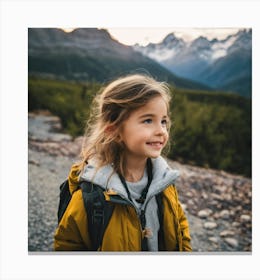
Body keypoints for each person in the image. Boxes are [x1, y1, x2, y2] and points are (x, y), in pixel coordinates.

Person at [53, 74, 192, 251]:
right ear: (114, 130)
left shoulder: (164, 183)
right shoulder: (91, 195)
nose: (161, 131)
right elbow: (68, 246)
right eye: (148, 120)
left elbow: (181, 230)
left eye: (163, 121)